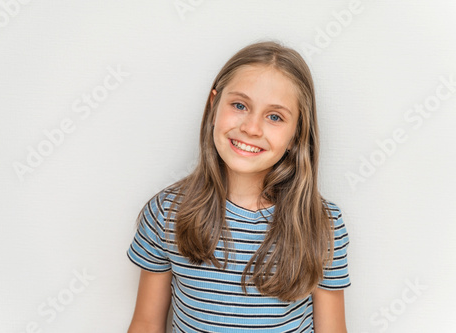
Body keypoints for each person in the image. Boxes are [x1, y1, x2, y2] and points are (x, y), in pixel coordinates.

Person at [126, 40, 351, 333]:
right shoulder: (165, 213)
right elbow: (146, 323)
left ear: (297, 133)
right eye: (240, 105)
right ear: (214, 104)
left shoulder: (322, 224)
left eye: (274, 116)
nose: (251, 128)